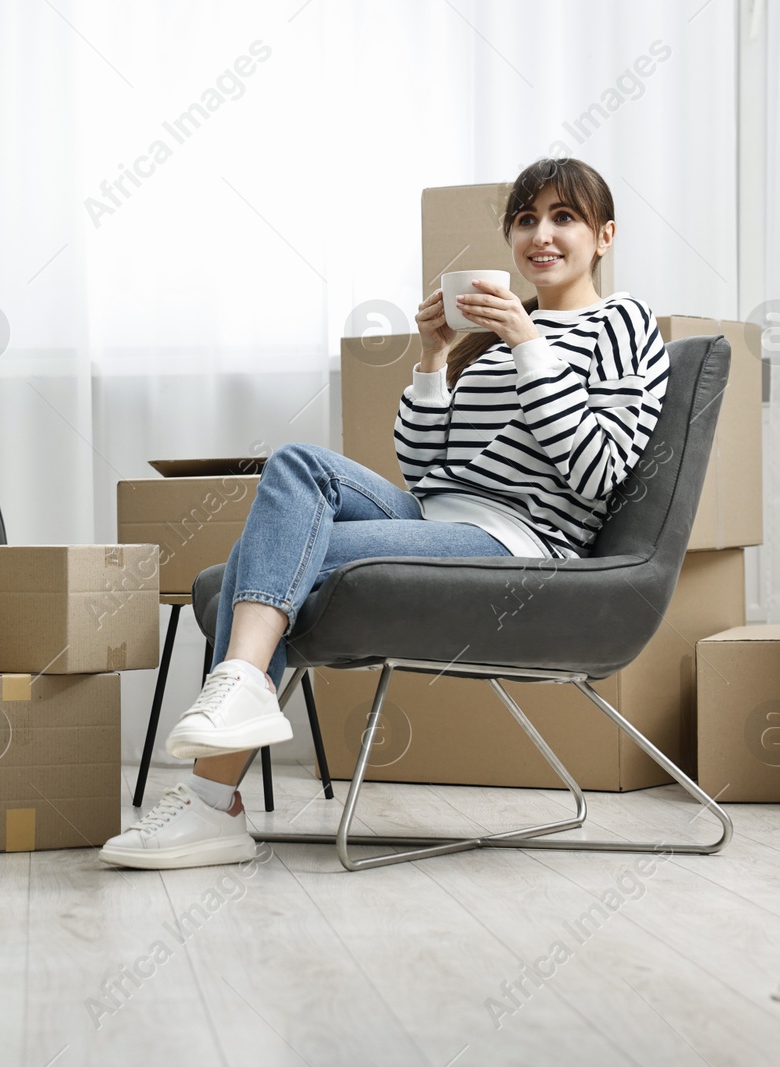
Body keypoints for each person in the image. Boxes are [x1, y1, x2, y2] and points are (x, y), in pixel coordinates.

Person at [100, 157, 669, 870]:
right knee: (297, 464)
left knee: (260, 558)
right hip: (438, 515)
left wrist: (531, 345)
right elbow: (429, 472)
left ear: (604, 235)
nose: (541, 235)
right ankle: (241, 698)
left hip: (518, 542)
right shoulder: (489, 345)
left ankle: (214, 799)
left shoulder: (622, 323)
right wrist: (433, 360)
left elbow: (599, 470)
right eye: (525, 220)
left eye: (564, 218)